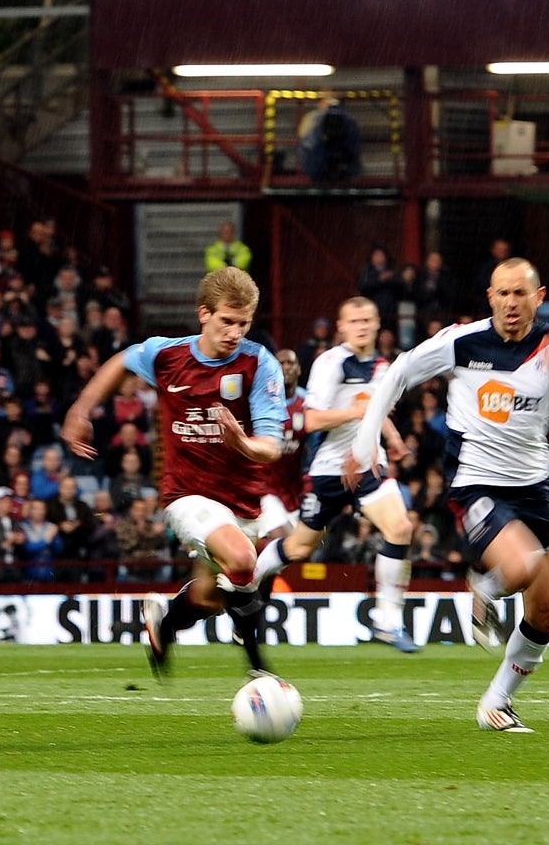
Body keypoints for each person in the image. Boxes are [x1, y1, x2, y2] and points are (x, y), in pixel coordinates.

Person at [348, 258, 549, 733]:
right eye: (502, 294)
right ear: (490, 297)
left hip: (533, 487)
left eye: (520, 294)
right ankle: (483, 588)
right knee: (521, 568)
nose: (510, 303)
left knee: (547, 607)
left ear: (538, 297)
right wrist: (365, 441)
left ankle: (497, 703)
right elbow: (397, 372)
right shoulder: (462, 341)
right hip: (476, 483)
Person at [60, 267, 286, 679]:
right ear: (204, 313)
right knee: (242, 559)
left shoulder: (260, 366)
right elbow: (122, 360)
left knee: (208, 597)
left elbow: (271, 445)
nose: (235, 332)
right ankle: (259, 670)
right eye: (226, 321)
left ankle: (165, 623)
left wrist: (244, 445)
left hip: (241, 500)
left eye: (243, 323)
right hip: (188, 495)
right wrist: (80, 409)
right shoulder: (168, 356)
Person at [251, 297, 420, 653]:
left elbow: (376, 409)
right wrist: (356, 413)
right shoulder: (330, 363)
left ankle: (388, 620)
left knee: (400, 527)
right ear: (341, 327)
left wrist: (393, 440)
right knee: (298, 547)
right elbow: (311, 421)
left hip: (368, 467)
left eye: (367, 319)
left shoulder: (382, 367)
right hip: (328, 469)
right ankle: (247, 579)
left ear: (378, 325)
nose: (361, 325)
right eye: (354, 320)